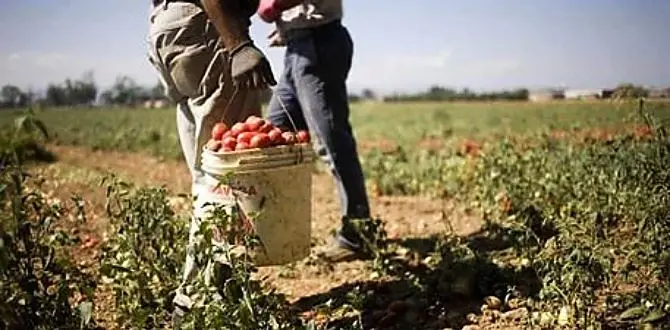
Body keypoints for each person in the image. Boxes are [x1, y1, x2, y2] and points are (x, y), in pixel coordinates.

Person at [146, 0, 276, 326]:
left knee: (209, 177)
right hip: (208, 28)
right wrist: (238, 44)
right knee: (227, 179)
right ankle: (197, 301)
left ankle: (218, 291)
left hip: (170, 30)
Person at [256, 0, 375, 262]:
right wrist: (286, 25)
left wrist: (273, 6)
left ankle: (358, 234)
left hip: (319, 43)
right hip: (298, 46)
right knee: (273, 134)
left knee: (331, 142)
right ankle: (276, 230)